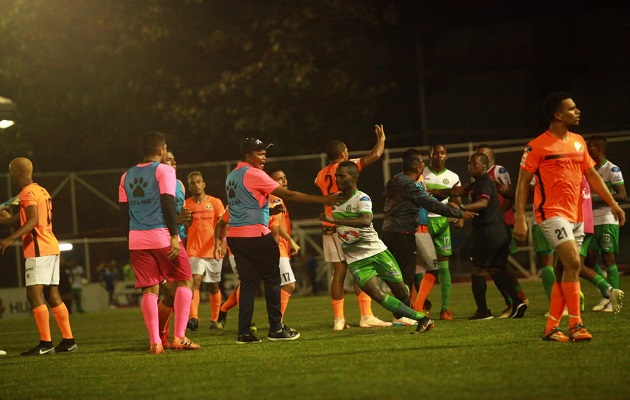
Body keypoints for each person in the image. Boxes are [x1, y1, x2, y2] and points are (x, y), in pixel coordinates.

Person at [514, 92, 625, 342]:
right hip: (551, 213)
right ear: (557, 115)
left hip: (576, 215)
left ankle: (552, 327)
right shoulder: (537, 146)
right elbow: (523, 182)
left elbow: (593, 176)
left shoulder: (578, 141)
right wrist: (521, 215)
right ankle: (576, 324)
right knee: (574, 262)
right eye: (572, 108)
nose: (578, 111)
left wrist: (613, 205)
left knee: (568, 268)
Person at [225, 137, 338, 344]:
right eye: (260, 153)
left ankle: (244, 333)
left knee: (248, 284)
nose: (264, 156)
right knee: (273, 281)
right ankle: (276, 329)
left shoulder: (232, 176)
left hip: (235, 237)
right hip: (257, 235)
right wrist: (324, 200)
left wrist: (268, 210)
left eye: (265, 152)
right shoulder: (254, 174)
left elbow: (246, 205)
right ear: (248, 155)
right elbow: (290, 195)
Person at [319, 161, 436, 334]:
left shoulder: (362, 198)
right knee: (378, 295)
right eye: (337, 176)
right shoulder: (334, 200)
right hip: (356, 260)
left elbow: (366, 221)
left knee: (402, 292)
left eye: (342, 176)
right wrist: (334, 228)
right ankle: (422, 319)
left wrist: (335, 221)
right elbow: (345, 225)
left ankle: (407, 315)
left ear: (354, 177)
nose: (338, 179)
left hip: (377, 252)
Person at [119, 131, 199, 354]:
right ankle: (179, 337)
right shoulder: (164, 170)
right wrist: (174, 236)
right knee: (185, 281)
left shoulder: (126, 176)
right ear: (161, 150)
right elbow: (167, 201)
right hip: (162, 236)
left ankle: (155, 342)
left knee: (149, 290)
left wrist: (130, 242)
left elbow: (123, 213)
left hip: (136, 239)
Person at [383, 154, 475, 325]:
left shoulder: (395, 180)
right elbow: (428, 203)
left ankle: (407, 312)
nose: (424, 164)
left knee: (406, 274)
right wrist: (459, 213)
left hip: (392, 230)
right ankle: (404, 314)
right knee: (417, 272)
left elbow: (424, 199)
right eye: (422, 162)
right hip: (405, 231)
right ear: (417, 167)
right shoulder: (411, 184)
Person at [315, 125, 391, 330]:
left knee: (338, 272)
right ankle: (366, 316)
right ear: (342, 154)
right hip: (348, 225)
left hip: (329, 225)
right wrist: (381, 138)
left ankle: (339, 320)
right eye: (346, 150)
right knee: (361, 268)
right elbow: (375, 155)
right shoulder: (348, 167)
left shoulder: (321, 174)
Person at [0, 157, 77, 355]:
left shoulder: (26, 193)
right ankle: (68, 341)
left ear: (15, 173)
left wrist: (9, 239)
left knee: (33, 294)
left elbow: (33, 220)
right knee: (52, 295)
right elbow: (25, 218)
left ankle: (45, 344)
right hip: (50, 245)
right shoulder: (41, 190)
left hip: (38, 248)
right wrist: (8, 220)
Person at [438, 153, 528, 320]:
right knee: (496, 269)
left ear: (484, 167)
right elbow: (457, 190)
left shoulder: (484, 183)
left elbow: (483, 203)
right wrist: (434, 191)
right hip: (499, 232)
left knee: (477, 271)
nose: (470, 165)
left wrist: (461, 208)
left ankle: (483, 311)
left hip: (488, 233)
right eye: (469, 162)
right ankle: (517, 302)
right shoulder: (476, 184)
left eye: (474, 163)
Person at [475, 144, 529, 318]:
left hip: (502, 223)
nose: (479, 159)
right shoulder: (481, 177)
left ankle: (516, 299)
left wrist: (497, 215)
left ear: (490, 158)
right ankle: (516, 299)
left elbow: (510, 194)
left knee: (499, 265)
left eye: (482, 155)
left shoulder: (498, 171)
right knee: (500, 265)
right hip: (492, 225)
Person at [585, 136, 626, 312]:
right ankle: (606, 294)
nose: (587, 150)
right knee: (589, 260)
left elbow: (622, 194)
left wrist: (598, 199)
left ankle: (613, 301)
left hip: (607, 218)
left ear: (596, 148)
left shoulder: (612, 169)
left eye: (589, 147)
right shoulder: (589, 170)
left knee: (608, 258)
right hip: (591, 220)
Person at [421, 144, 462, 320]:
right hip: (424, 222)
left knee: (444, 265)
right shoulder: (421, 173)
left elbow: (456, 200)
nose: (439, 155)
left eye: (442, 153)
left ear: (447, 156)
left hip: (442, 223)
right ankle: (423, 304)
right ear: (430, 155)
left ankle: (445, 309)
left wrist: (460, 216)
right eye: (436, 152)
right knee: (421, 266)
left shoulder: (453, 177)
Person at [156, 150, 192, 348]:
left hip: (178, 239)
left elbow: (179, 210)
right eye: (169, 159)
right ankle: (167, 336)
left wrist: (186, 218)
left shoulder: (178, 184)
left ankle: (167, 336)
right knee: (174, 289)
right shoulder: (157, 184)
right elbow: (152, 214)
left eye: (174, 158)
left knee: (175, 291)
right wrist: (174, 223)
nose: (174, 161)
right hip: (162, 240)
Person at [184, 171, 225, 331]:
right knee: (195, 282)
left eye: (198, 181)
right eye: (192, 183)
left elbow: (223, 225)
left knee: (213, 286)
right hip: (193, 250)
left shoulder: (215, 203)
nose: (196, 185)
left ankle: (215, 319)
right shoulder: (186, 205)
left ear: (204, 184)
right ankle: (193, 318)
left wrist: (222, 243)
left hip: (213, 250)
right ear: (189, 186)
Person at [267, 167, 301, 322]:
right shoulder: (275, 199)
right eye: (279, 178)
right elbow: (277, 226)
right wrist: (291, 241)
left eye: (285, 177)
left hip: (280, 248)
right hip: (277, 247)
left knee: (274, 286)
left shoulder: (276, 199)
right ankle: (277, 322)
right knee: (289, 285)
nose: (284, 181)